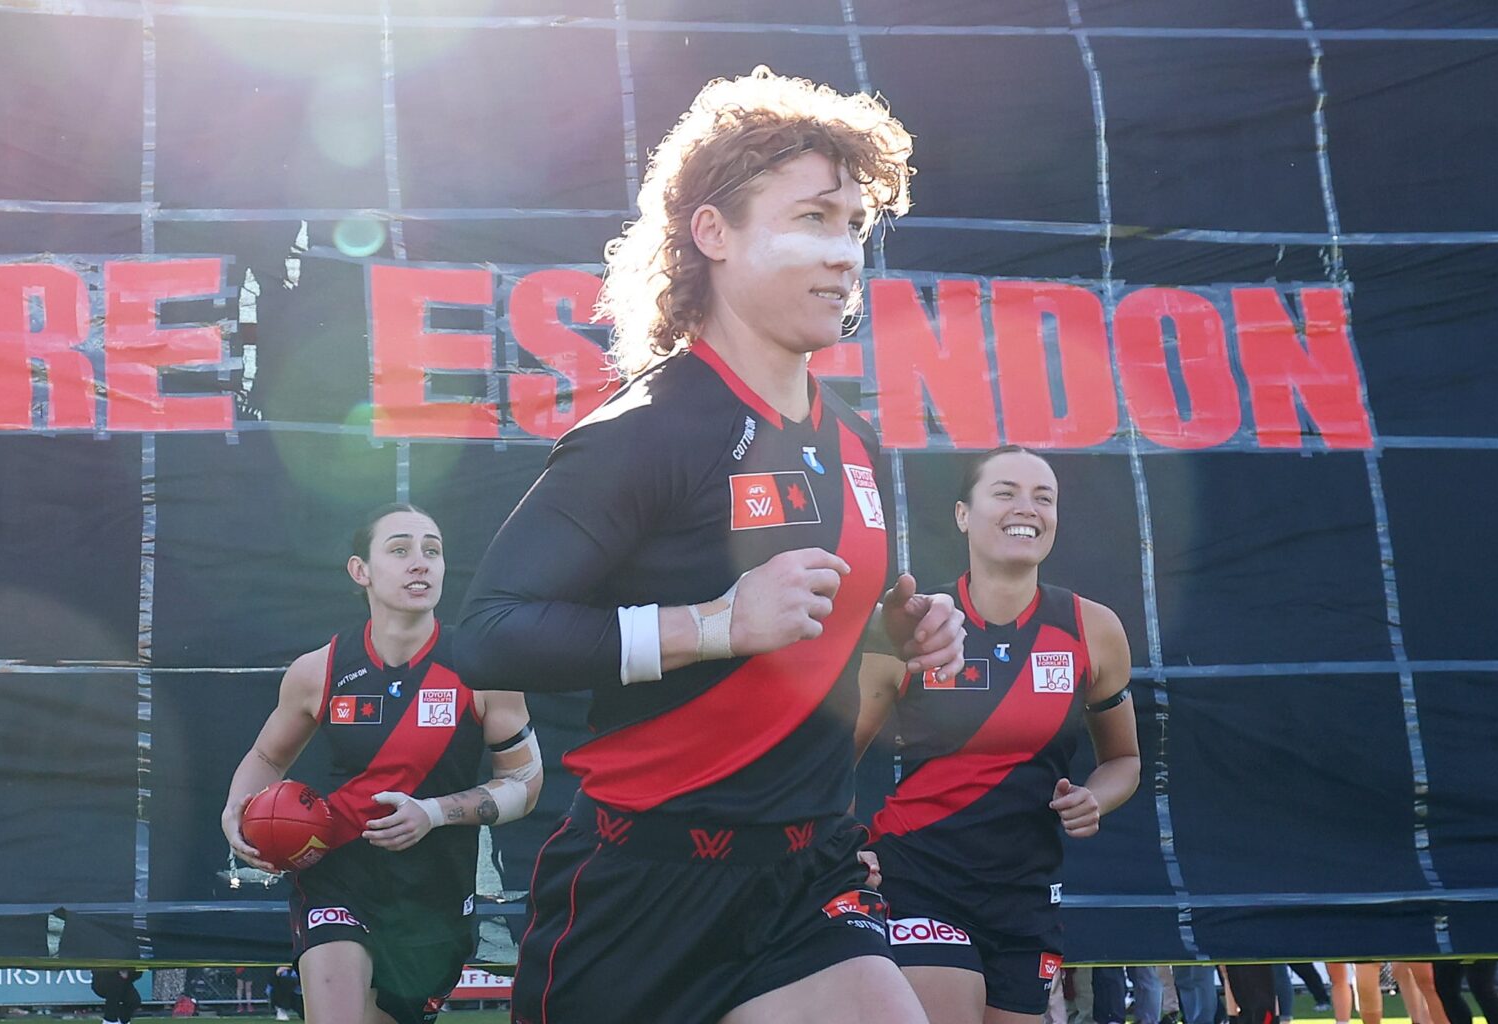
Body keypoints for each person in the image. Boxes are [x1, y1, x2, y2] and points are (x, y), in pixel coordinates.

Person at [455, 67, 963, 1024]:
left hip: (806, 881)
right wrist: (715, 625)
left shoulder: (854, 437)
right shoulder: (646, 429)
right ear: (714, 234)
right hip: (640, 895)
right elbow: (489, 634)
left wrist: (899, 627)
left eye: (856, 226)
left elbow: (808, 625)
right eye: (813, 218)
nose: (845, 253)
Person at [220, 505, 542, 1024]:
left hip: (434, 895)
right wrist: (237, 809)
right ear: (360, 571)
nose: (420, 562)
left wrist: (432, 813)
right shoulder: (318, 670)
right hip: (338, 876)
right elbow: (266, 757)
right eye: (400, 549)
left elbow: (524, 784)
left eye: (432, 550)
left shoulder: (483, 666)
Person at [854, 445, 1139, 1024]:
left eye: (1043, 497)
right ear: (963, 514)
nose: (1026, 508)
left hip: (1025, 897)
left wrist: (1094, 798)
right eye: (1005, 492)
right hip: (919, 877)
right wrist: (841, 846)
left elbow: (1125, 758)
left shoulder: (1093, 628)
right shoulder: (917, 624)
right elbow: (831, 756)